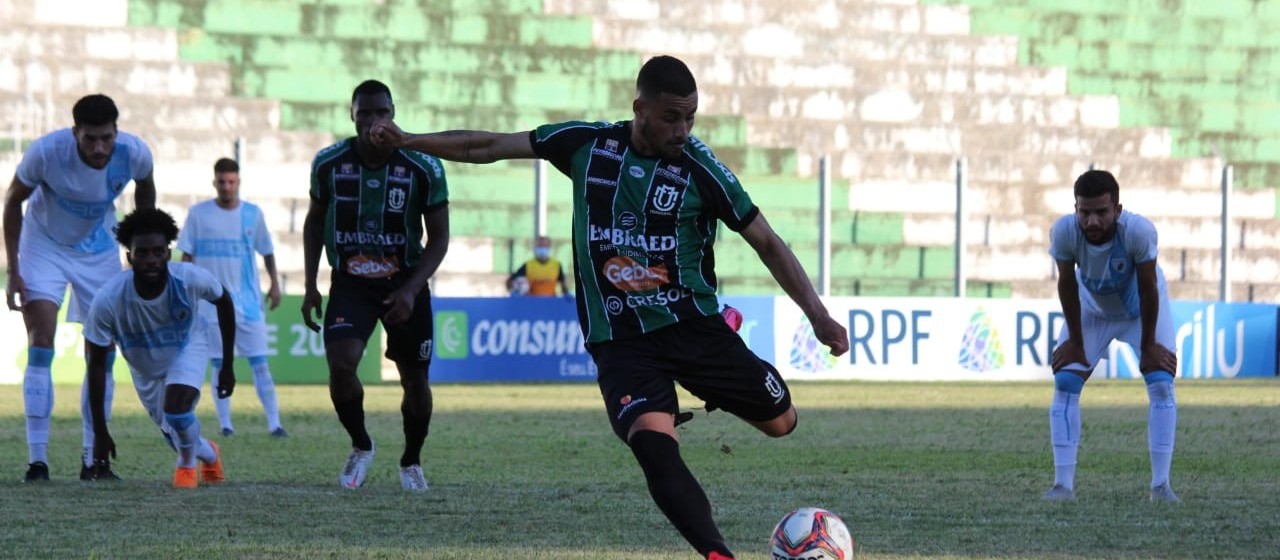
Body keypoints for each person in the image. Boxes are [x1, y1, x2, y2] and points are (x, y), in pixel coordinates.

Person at [370, 55, 850, 559]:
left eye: (690, 118)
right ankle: (717, 553)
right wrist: (409, 141)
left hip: (693, 326)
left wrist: (817, 315)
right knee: (651, 442)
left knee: (782, 421)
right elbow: (491, 144)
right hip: (620, 341)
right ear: (639, 108)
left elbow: (768, 242)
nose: (682, 130)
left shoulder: (702, 170)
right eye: (671, 117)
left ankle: (722, 349)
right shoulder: (587, 146)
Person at [302, 79, 449, 492]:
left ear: (393, 112)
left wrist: (410, 289)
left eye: (380, 111)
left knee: (415, 381)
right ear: (352, 115)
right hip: (351, 281)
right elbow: (314, 222)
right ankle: (361, 445)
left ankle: (411, 460)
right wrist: (311, 282)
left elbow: (438, 238)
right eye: (364, 112)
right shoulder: (328, 163)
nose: (373, 120)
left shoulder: (424, 165)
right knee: (341, 365)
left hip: (406, 281)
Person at [4, 93, 157, 482]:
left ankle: (94, 460)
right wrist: (14, 269)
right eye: (90, 139)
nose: (99, 147)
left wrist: (136, 247)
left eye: (106, 138)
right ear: (75, 133)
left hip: (99, 248)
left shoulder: (135, 153)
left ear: (116, 133)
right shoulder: (46, 153)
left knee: (102, 352)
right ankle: (37, 460)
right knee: (41, 340)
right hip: (44, 247)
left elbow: (146, 190)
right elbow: (11, 201)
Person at [1042, 169, 1180, 503]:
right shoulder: (1063, 232)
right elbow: (1066, 284)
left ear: (1117, 210)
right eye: (1084, 212)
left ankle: (1160, 486)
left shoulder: (1138, 231)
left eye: (1101, 212)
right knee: (1065, 384)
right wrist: (1075, 340)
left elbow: (1148, 288)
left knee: (1161, 383)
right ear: (1075, 209)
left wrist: (1148, 345)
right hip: (1093, 311)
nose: (1092, 221)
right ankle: (1063, 486)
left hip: (1140, 311)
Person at [83, 208, 236, 489]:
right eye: (142, 253)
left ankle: (186, 468)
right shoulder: (109, 299)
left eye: (158, 251)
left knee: (177, 410)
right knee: (178, 436)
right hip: (145, 370)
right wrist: (99, 432)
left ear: (168, 252)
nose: (151, 260)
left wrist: (227, 365)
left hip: (188, 346)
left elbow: (224, 300)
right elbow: (95, 365)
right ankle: (209, 453)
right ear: (129, 255)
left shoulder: (189, 279)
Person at [178, 157, 287, 438]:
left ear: (238, 182)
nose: (226, 187)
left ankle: (275, 424)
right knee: (218, 363)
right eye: (222, 181)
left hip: (248, 304)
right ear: (214, 182)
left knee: (260, 363)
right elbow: (186, 256)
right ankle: (226, 425)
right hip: (210, 305)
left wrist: (274, 283)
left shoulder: (253, 214)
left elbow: (267, 251)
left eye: (231, 182)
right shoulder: (198, 214)